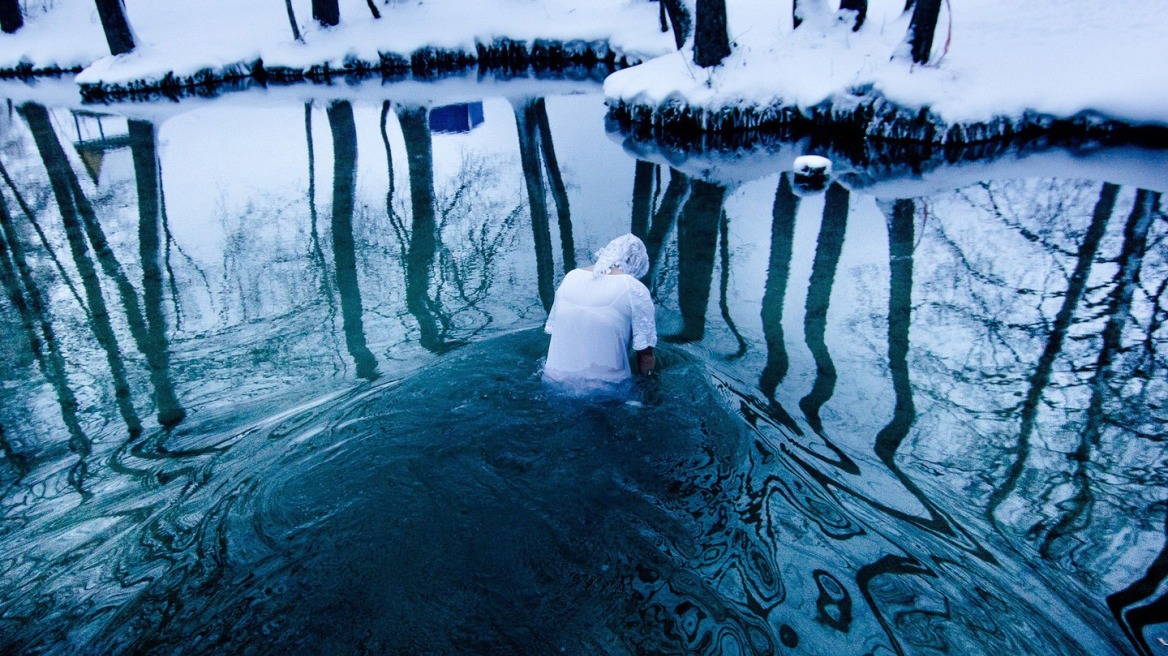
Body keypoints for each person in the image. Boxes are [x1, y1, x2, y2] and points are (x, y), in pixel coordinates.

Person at [542, 234, 657, 393]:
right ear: (638, 264)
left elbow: (556, 330)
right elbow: (645, 355)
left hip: (553, 379)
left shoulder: (571, 277)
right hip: (609, 387)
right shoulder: (634, 288)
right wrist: (650, 387)